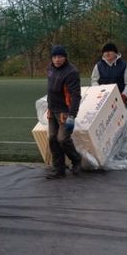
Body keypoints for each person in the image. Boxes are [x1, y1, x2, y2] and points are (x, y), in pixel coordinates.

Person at [46, 45, 82, 179]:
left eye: (60, 56)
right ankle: (59, 170)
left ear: (65, 57)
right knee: (52, 139)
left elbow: (75, 95)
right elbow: (50, 89)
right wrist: (49, 107)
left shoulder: (71, 72)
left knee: (62, 138)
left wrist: (72, 115)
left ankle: (76, 159)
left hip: (64, 111)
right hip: (52, 109)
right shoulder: (50, 68)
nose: (57, 59)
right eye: (54, 57)